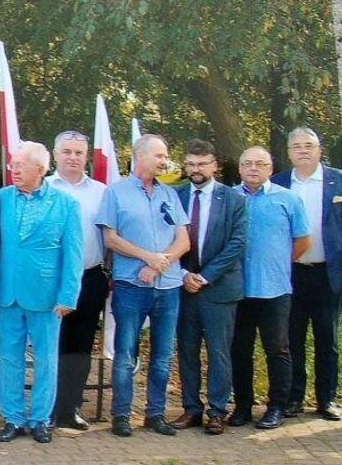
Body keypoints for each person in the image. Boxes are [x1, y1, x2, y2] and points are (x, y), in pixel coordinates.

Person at [0, 142, 82, 444]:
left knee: (46, 358)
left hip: (47, 296)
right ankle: (13, 419)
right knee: (10, 358)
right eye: (13, 164)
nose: (14, 169)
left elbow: (73, 254)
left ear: (41, 169)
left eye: (21, 165)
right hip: (8, 293)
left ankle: (40, 419)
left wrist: (68, 295)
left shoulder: (65, 204)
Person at [96, 134, 190, 438]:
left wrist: (160, 263)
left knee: (162, 355)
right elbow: (110, 239)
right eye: (159, 155)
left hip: (169, 286)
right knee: (125, 353)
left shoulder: (170, 195)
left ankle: (155, 413)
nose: (165, 161)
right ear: (140, 156)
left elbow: (184, 240)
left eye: (165, 156)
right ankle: (121, 415)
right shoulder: (116, 193)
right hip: (131, 287)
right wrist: (146, 258)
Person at [229, 147, 310, 430]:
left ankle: (276, 406)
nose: (253, 168)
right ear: (239, 168)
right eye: (247, 163)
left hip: (275, 289)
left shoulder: (288, 198)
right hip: (237, 289)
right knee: (239, 349)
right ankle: (242, 407)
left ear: (270, 168)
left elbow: (302, 241)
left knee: (277, 349)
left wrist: (277, 262)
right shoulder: (229, 197)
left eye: (260, 163)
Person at [171, 140, 246, 436]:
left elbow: (237, 244)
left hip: (219, 289)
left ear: (215, 165)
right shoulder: (174, 196)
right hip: (182, 286)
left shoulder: (234, 200)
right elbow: (164, 238)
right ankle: (191, 409)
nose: (195, 169)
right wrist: (183, 273)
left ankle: (217, 411)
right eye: (190, 164)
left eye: (201, 164)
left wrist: (204, 277)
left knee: (219, 352)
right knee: (187, 350)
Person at [272, 127, 342, 421]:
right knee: (293, 339)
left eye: (309, 145)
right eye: (297, 146)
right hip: (291, 274)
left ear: (319, 149)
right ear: (288, 152)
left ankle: (326, 399)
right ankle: (294, 398)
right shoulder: (278, 183)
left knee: (328, 339)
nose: (303, 150)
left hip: (328, 274)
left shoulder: (337, 181)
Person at [46, 130, 109, 430]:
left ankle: (70, 409)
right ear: (55, 154)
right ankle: (48, 409)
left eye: (78, 152)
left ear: (87, 157)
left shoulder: (101, 192)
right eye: (67, 151)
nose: (72, 157)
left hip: (90, 279)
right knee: (52, 346)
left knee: (81, 347)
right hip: (51, 282)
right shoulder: (42, 188)